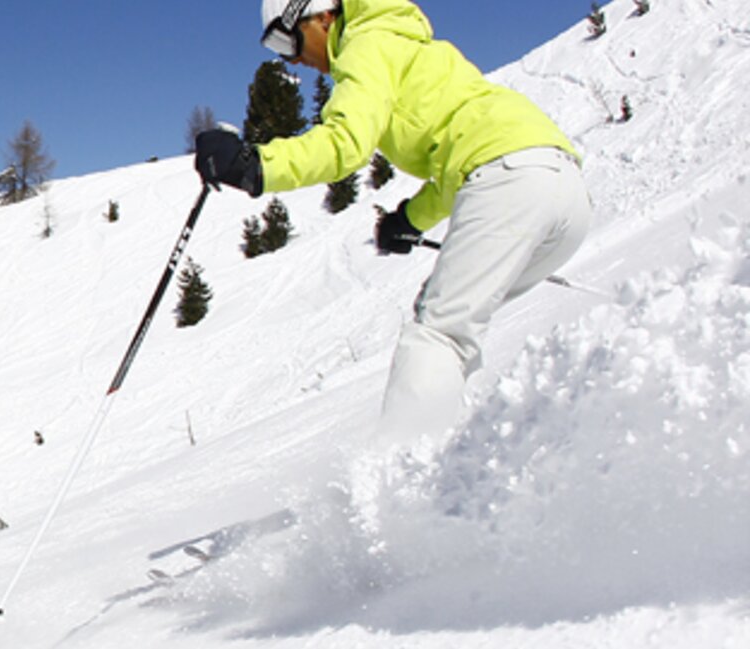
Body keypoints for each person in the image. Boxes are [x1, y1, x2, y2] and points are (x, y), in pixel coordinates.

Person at [195, 0, 591, 448]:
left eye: (287, 39)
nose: (293, 60)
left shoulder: (365, 44)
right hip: (561, 190)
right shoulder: (399, 41)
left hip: (510, 179)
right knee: (450, 328)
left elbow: (346, 143)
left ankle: (405, 483)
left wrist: (255, 166)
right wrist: (411, 218)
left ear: (324, 15)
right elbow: (460, 157)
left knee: (438, 335)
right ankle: (470, 457)